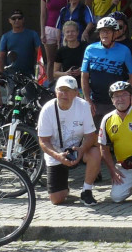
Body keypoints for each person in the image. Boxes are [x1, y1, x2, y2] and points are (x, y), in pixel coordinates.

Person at [37, 75, 102, 206]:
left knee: (96, 151)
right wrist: (57, 156)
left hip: (78, 150)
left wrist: (82, 149)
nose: (64, 94)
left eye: (69, 90)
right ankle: (63, 188)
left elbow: (91, 135)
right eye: (61, 90)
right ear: (55, 91)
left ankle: (86, 191)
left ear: (76, 93)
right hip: (56, 153)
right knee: (57, 200)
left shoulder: (83, 105)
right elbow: (43, 141)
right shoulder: (47, 109)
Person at [81, 15, 132, 126]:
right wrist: (87, 100)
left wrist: (127, 96)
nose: (104, 34)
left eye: (108, 31)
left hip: (116, 101)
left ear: (115, 33)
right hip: (95, 101)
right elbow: (84, 75)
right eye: (102, 32)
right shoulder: (90, 49)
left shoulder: (124, 50)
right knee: (96, 136)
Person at [0, 9, 41, 78]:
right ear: (9, 20)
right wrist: (1, 75)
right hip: (11, 75)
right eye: (13, 18)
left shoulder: (33, 34)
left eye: (19, 18)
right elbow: (1, 57)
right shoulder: (5, 37)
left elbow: (39, 54)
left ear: (23, 20)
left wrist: (39, 73)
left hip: (29, 74)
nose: (17, 20)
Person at [40, 0, 67, 78]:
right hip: (49, 29)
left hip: (64, 29)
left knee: (63, 59)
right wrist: (42, 33)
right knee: (50, 60)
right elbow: (43, 15)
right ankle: (50, 84)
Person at [109, 10, 132, 84]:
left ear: (125, 27)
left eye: (120, 27)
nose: (117, 30)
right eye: (114, 27)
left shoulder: (130, 46)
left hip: (124, 86)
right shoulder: (104, 44)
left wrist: (129, 88)